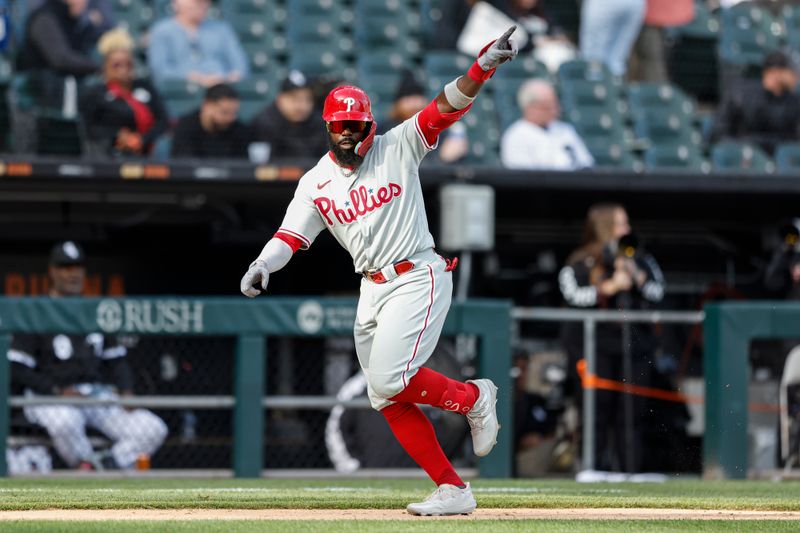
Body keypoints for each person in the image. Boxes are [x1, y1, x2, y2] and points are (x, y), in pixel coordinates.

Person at [240, 26, 518, 516]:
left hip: (417, 274)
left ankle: (474, 397)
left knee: (391, 377)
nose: (349, 134)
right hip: (371, 288)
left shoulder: (398, 145)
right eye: (340, 127)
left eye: (357, 125)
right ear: (327, 128)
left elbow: (445, 107)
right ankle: (453, 489)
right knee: (384, 396)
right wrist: (264, 263)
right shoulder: (316, 181)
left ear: (370, 123)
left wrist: (483, 67)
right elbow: (291, 237)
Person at [7, 241, 168, 470]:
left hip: (92, 394)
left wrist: (127, 392)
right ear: (52, 271)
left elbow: (117, 361)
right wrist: (56, 390)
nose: (73, 274)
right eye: (65, 267)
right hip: (49, 398)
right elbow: (17, 368)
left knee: (152, 427)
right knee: (65, 421)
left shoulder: (96, 309)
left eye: (77, 267)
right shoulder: (37, 310)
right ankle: (86, 464)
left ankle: (103, 465)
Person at [558, 203, 665, 473]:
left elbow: (658, 292)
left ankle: (630, 470)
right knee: (596, 411)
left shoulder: (640, 258)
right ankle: (593, 469)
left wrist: (635, 276)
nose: (627, 230)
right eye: (621, 224)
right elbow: (572, 294)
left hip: (634, 347)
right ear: (605, 228)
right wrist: (609, 287)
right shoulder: (581, 262)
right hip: (594, 348)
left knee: (631, 412)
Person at [80, 29, 169, 157]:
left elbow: (162, 120)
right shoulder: (96, 92)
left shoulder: (145, 86)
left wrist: (142, 139)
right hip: (109, 151)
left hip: (146, 148)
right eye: (117, 65)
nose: (123, 70)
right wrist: (118, 136)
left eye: (128, 64)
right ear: (105, 65)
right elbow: (89, 127)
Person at [712, 51, 800, 155]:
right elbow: (719, 133)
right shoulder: (740, 95)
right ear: (776, 72)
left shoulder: (794, 102)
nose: (797, 77)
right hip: (742, 160)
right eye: (793, 72)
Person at [147, 0, 249, 88]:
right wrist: (193, 78)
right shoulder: (162, 30)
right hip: (180, 93)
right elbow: (160, 70)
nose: (200, 5)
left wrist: (226, 78)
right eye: (194, 2)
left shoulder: (221, 29)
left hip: (220, 90)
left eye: (204, 2)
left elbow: (240, 66)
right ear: (177, 2)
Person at [500, 79, 593, 170]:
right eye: (547, 107)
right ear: (530, 108)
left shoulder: (565, 129)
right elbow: (524, 179)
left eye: (555, 106)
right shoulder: (516, 136)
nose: (555, 111)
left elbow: (586, 165)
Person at [382, 69, 469, 164]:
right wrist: (441, 158)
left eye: (418, 98)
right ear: (398, 103)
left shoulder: (439, 130)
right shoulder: (386, 130)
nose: (414, 104)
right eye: (408, 98)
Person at [250, 70, 328, 161]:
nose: (301, 106)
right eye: (294, 98)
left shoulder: (319, 122)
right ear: (280, 99)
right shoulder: (264, 123)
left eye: (307, 99)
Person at [171, 83, 253, 158]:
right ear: (207, 106)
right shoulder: (186, 127)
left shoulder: (239, 130)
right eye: (225, 112)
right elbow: (182, 165)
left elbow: (242, 166)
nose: (231, 118)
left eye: (234, 113)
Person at [579, 0, 646, 77]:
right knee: (616, 60)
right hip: (635, 4)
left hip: (605, 3)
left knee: (593, 61)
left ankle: (594, 86)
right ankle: (613, 85)